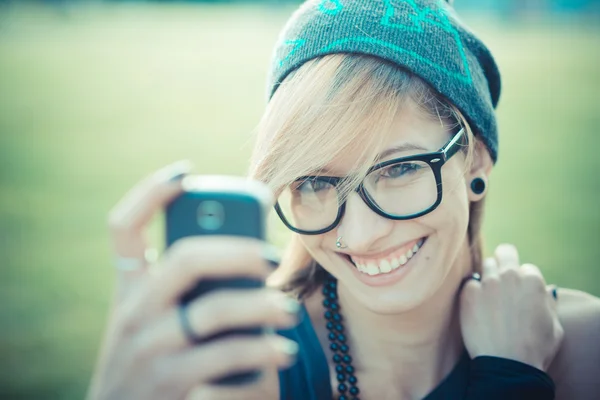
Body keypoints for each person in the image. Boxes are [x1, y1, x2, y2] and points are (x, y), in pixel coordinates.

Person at [88, 1, 600, 399]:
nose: (358, 234)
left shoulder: (586, 347)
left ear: (476, 161)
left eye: (398, 169)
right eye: (314, 182)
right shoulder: (243, 371)